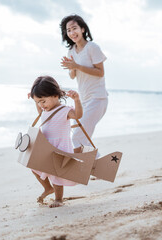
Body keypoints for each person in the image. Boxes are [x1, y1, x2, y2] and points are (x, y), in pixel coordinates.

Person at [30, 75, 83, 208]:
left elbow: (78, 115)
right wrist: (35, 100)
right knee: (34, 167)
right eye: (38, 102)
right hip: (46, 147)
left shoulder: (64, 110)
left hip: (60, 148)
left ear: (55, 95)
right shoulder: (44, 110)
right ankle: (48, 188)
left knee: (56, 175)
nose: (41, 105)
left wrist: (76, 100)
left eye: (43, 101)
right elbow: (40, 113)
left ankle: (58, 199)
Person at [60, 14, 108, 154]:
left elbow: (100, 72)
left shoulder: (92, 47)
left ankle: (93, 165)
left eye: (74, 28)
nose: (72, 32)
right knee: (81, 136)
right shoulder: (71, 51)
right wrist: (72, 67)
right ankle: (96, 165)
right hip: (83, 100)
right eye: (68, 30)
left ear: (82, 29)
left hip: (98, 98)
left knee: (77, 137)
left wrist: (77, 65)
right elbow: (72, 76)